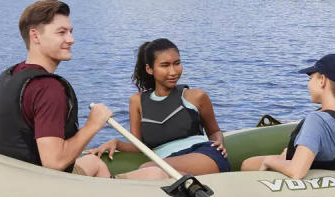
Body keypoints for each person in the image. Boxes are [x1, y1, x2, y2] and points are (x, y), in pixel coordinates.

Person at [0, 0, 112, 177]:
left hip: (11, 177)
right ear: (35, 36)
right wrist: (93, 125)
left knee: (94, 162)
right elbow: (54, 163)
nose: (71, 39)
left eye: (70, 32)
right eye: (61, 32)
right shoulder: (48, 88)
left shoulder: (8, 76)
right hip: (43, 185)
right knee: (148, 173)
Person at [86, 38, 229, 179]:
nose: (173, 72)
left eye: (177, 63)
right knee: (159, 173)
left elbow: (214, 131)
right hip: (165, 163)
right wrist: (116, 143)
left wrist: (219, 142)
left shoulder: (196, 96)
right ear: (149, 69)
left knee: (150, 168)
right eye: (165, 65)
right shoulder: (137, 101)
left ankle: (112, 182)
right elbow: (138, 146)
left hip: (203, 155)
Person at [240, 54, 335, 179]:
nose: (308, 84)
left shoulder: (318, 121)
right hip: (334, 170)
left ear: (322, 80)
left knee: (246, 164)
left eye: (310, 79)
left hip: (308, 176)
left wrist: (269, 161)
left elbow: (296, 171)